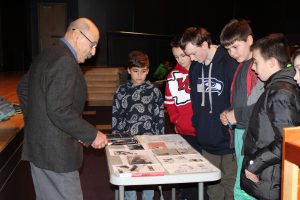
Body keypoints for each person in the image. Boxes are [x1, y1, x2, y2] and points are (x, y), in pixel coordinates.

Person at [17, 18, 108, 200]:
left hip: (40, 149)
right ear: (76, 35)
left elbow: (23, 88)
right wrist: (91, 134)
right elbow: (59, 110)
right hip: (56, 154)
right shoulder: (65, 61)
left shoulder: (48, 53)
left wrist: (39, 125)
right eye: (92, 44)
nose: (93, 52)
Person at [179, 27, 238, 199]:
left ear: (205, 44)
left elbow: (238, 103)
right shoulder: (195, 68)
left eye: (193, 53)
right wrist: (198, 126)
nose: (191, 58)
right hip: (206, 140)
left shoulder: (229, 63)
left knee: (229, 186)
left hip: (228, 142)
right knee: (212, 189)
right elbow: (196, 104)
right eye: (188, 54)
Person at [240, 33, 300, 199]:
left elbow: (287, 142)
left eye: (256, 62)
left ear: (272, 62)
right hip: (267, 177)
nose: (253, 68)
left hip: (270, 179)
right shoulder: (276, 87)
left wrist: (253, 165)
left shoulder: (280, 92)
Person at [219, 19, 264, 200]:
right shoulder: (241, 66)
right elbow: (242, 101)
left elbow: (262, 105)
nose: (231, 53)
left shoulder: (257, 66)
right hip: (241, 132)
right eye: (228, 49)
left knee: (247, 186)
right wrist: (229, 112)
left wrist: (235, 114)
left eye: (235, 47)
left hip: (252, 135)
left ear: (250, 40)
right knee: (242, 181)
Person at [111, 50, 165, 200]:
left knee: (148, 175)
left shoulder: (154, 91)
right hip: (128, 141)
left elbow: (159, 117)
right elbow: (116, 117)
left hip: (149, 140)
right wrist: (116, 141)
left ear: (148, 71)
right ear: (128, 70)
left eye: (143, 71)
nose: (139, 75)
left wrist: (160, 140)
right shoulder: (121, 91)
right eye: (135, 71)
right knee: (130, 175)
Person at [164, 35, 198, 199]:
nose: (181, 60)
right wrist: (175, 120)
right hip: (183, 132)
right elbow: (170, 104)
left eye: (183, 56)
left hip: (201, 132)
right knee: (183, 169)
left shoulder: (200, 70)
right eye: (176, 57)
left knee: (200, 172)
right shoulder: (172, 76)